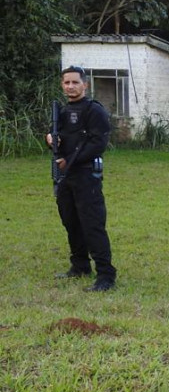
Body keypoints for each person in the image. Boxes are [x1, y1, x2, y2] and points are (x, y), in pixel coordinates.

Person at [46, 65, 117, 292]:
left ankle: (105, 275)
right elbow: (60, 141)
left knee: (92, 224)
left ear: (85, 84)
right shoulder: (63, 112)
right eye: (66, 83)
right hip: (65, 178)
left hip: (87, 175)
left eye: (75, 82)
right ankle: (80, 266)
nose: (70, 86)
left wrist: (71, 162)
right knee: (70, 221)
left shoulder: (94, 110)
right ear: (62, 85)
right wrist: (49, 139)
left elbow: (98, 143)